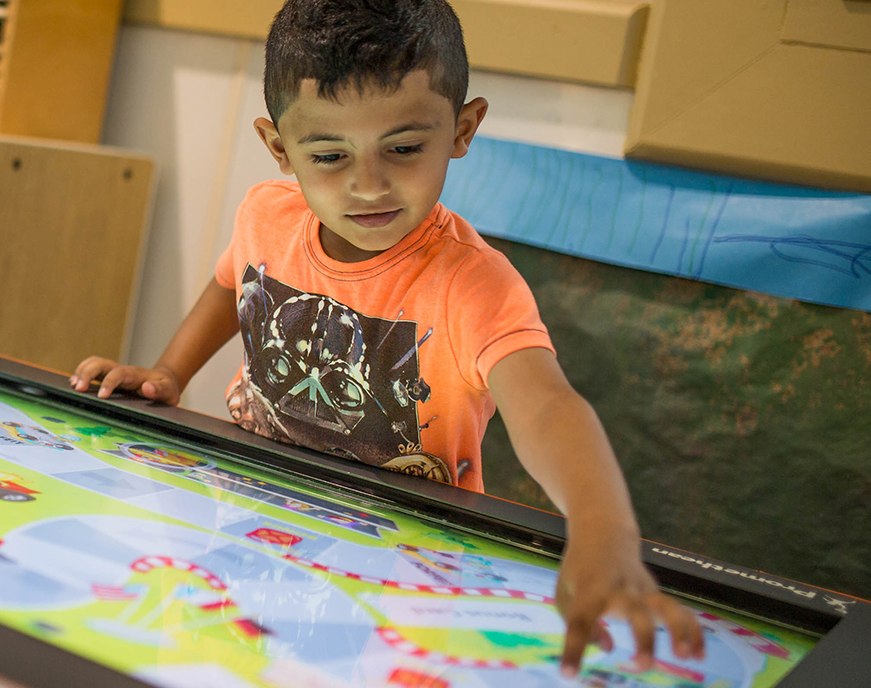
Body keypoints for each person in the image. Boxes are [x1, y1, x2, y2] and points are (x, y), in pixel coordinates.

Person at [71, 0, 704, 676]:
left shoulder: (475, 286)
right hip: (254, 522)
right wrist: (170, 372)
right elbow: (234, 282)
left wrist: (603, 528)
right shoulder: (265, 213)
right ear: (280, 148)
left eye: (403, 148)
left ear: (463, 129)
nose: (367, 185)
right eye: (329, 154)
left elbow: (547, 404)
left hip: (404, 568)